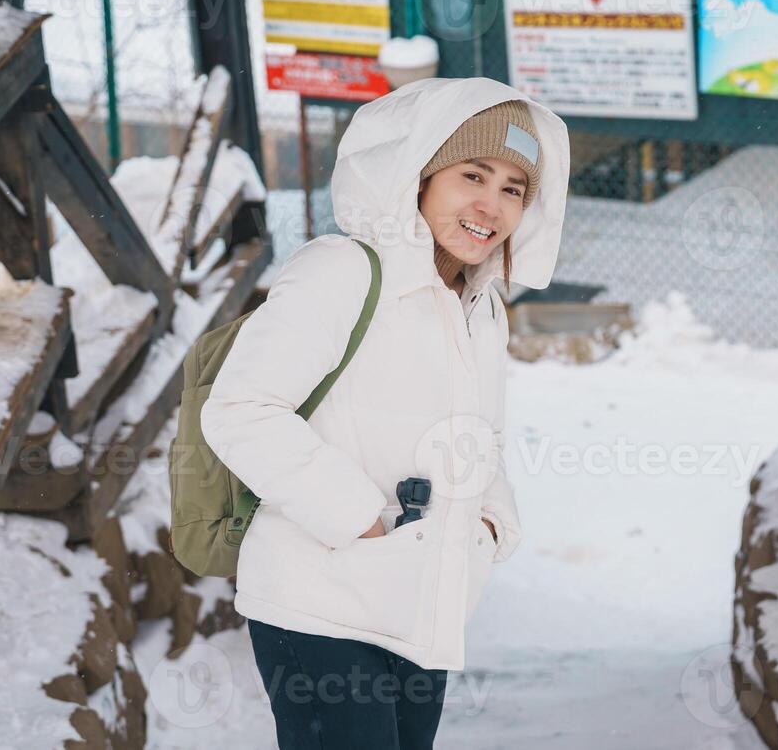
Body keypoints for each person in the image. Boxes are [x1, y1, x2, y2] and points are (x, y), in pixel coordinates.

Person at [200, 77, 569, 749]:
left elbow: (481, 439)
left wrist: (491, 526)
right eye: (473, 176)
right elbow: (240, 408)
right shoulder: (342, 272)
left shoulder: (481, 307)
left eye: (514, 189)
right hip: (320, 601)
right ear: (419, 176)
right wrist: (359, 519)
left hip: (423, 608)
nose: (492, 205)